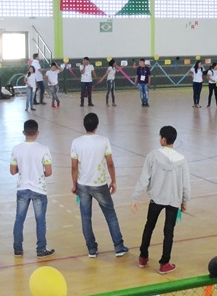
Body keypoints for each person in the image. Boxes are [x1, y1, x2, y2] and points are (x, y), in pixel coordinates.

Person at [131, 125, 192, 275]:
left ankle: (143, 257)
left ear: (163, 140)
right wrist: (185, 201)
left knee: (149, 226)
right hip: (173, 199)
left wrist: (135, 196)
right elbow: (186, 183)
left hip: (156, 198)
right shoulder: (182, 160)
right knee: (169, 231)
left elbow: (144, 178)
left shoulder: (152, 155)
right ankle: (164, 263)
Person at [71, 113, 128, 258]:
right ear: (97, 126)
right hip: (100, 185)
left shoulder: (76, 142)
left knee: (85, 217)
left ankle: (91, 249)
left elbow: (74, 167)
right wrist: (113, 180)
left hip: (83, 185)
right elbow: (110, 163)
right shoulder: (104, 141)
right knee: (110, 215)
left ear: (84, 125)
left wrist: (74, 184)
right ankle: (119, 247)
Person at [10, 119, 55, 259]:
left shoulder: (16, 149)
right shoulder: (43, 149)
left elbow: (12, 171)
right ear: (37, 132)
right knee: (40, 220)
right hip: (39, 189)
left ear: (24, 132)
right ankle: (41, 249)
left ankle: (18, 249)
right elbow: (48, 171)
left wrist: (22, 168)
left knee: (19, 219)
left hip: (22, 188)